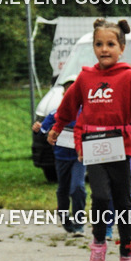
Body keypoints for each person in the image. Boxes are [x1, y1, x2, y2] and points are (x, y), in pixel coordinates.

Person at [48, 19, 131, 261]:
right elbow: (68, 105)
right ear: (94, 48)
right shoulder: (85, 77)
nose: (104, 49)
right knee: (99, 195)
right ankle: (99, 239)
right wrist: (57, 127)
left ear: (121, 48)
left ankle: (126, 255)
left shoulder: (129, 76)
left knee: (123, 201)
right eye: (99, 44)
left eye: (110, 44)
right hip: (94, 146)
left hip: (121, 147)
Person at [32, 80, 85, 236]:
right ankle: (64, 216)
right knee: (63, 189)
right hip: (61, 157)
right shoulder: (55, 113)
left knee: (78, 187)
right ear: (63, 95)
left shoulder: (85, 113)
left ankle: (79, 223)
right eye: (68, 93)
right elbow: (42, 131)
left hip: (79, 157)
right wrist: (37, 129)